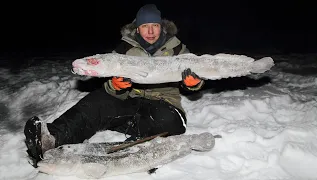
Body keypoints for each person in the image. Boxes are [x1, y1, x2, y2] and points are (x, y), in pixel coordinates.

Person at [24, 4, 205, 167]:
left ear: (162, 27)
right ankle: (52, 138)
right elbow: (109, 84)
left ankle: (147, 147)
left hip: (162, 105)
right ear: (137, 28)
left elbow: (196, 75)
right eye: (145, 26)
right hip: (130, 103)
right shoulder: (123, 49)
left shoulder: (177, 49)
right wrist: (115, 85)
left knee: (171, 123)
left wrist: (194, 84)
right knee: (98, 101)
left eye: (155, 26)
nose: (150, 31)